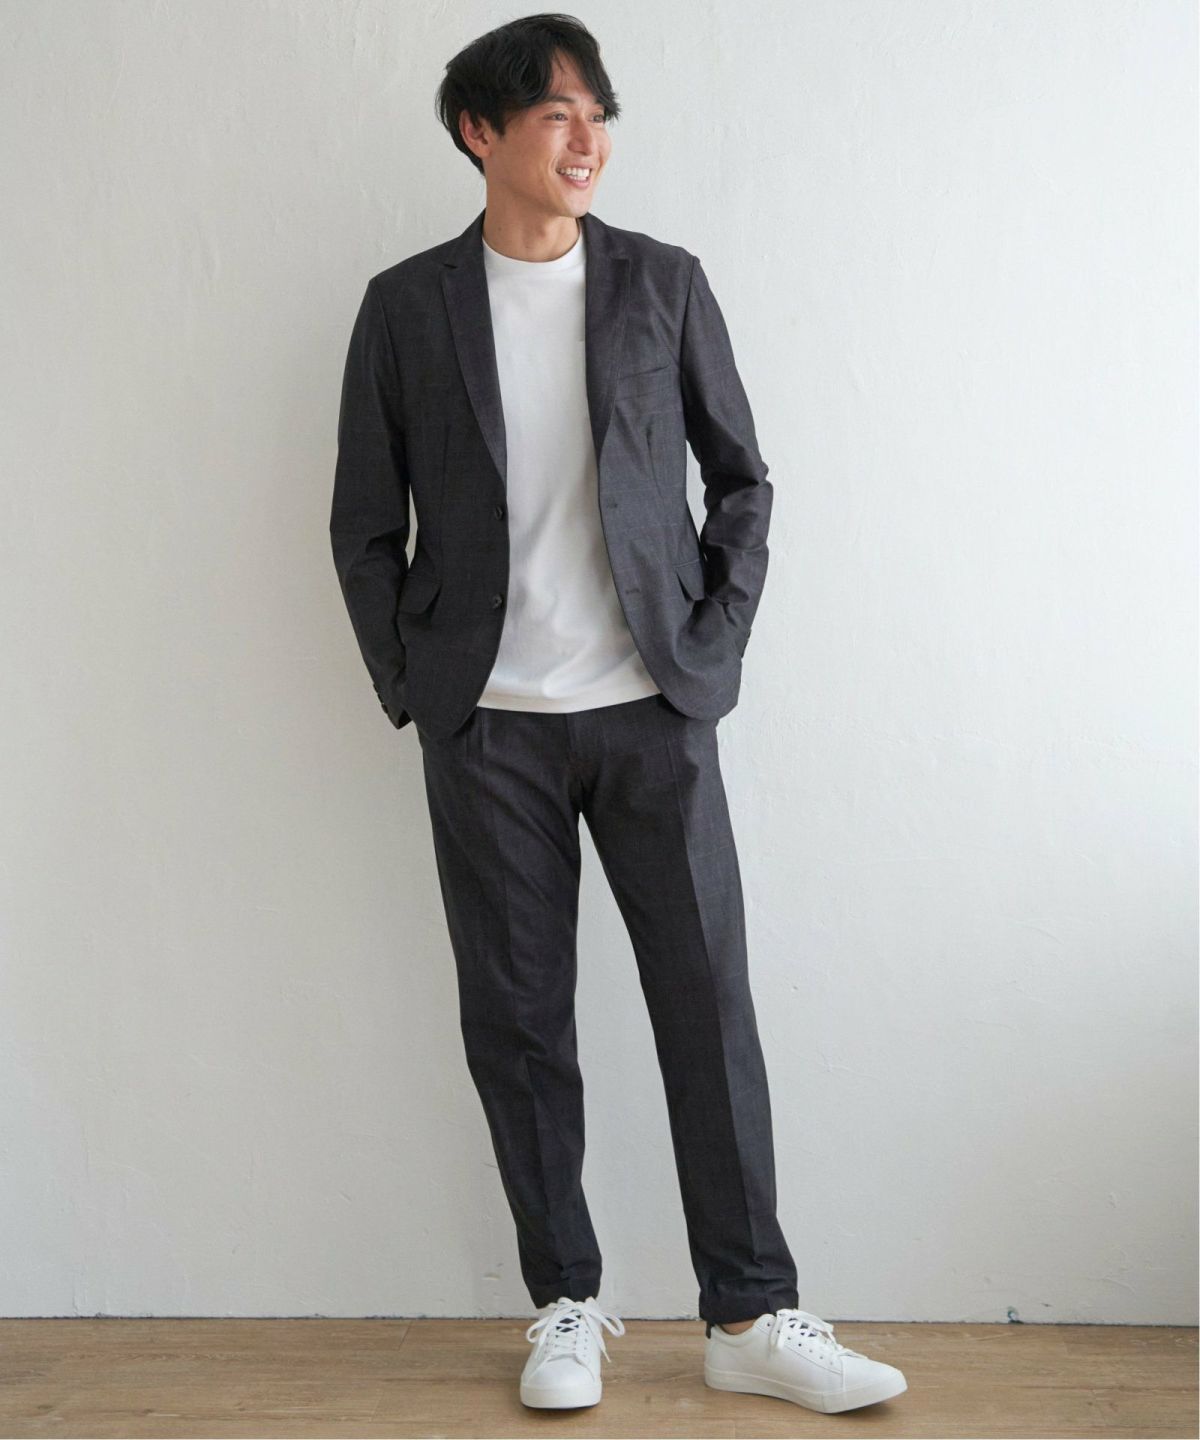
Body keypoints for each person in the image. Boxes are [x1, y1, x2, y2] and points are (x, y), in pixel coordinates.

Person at [330, 11, 907, 1417]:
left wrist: (711, 649)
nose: (587, 139)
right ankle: (567, 1303)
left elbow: (743, 481)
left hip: (654, 715)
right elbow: (363, 525)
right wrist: (419, 691)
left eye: (599, 114)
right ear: (480, 131)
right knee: (519, 1022)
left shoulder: (664, 284)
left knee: (708, 1012)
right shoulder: (406, 307)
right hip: (490, 729)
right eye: (556, 114)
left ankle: (749, 1314)